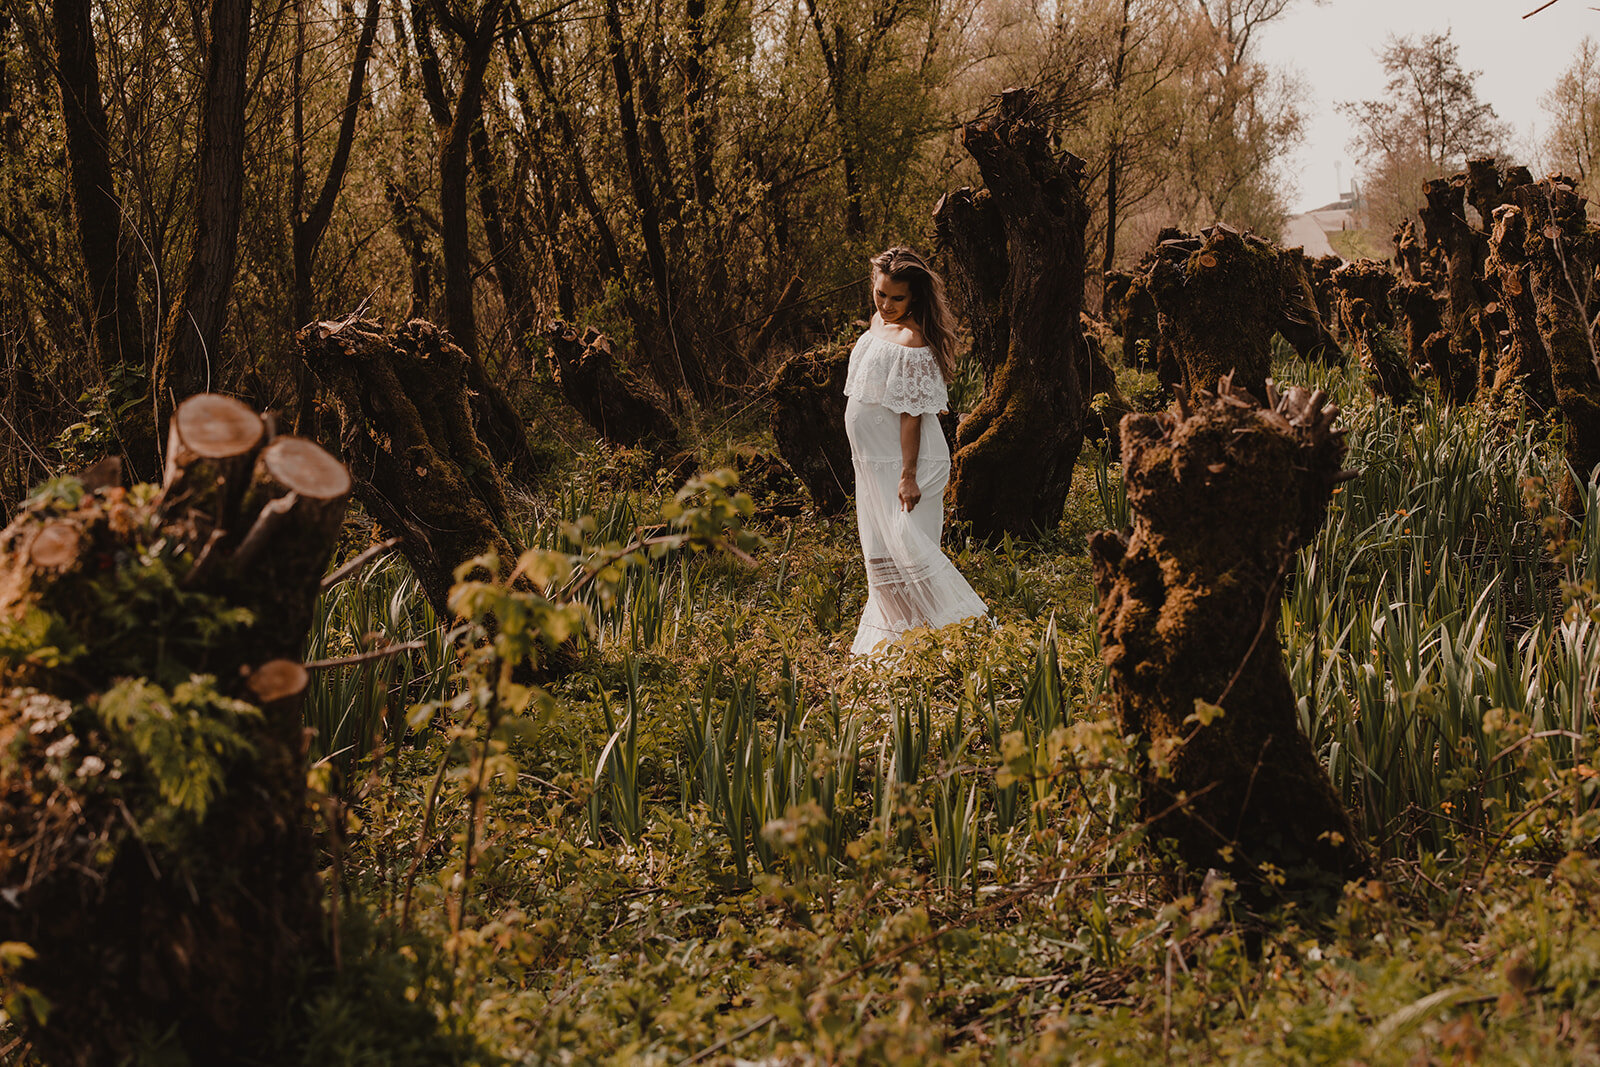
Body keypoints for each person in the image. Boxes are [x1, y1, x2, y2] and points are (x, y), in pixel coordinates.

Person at [843, 247, 988, 656]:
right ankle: (900, 642)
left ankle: (953, 636)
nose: (886, 305)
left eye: (897, 298)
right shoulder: (877, 323)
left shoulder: (913, 341)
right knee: (879, 554)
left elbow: (911, 416)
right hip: (873, 465)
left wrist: (907, 476)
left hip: (908, 465)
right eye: (880, 294)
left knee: (910, 554)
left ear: (915, 298)